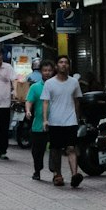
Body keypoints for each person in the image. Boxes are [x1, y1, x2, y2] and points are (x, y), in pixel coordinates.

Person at [42, 55, 83, 187]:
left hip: (70, 121)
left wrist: (77, 118)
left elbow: (77, 101)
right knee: (56, 149)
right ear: (56, 66)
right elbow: (46, 103)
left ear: (69, 66)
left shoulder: (74, 82)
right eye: (61, 62)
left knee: (71, 148)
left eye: (66, 62)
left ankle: (74, 175)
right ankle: (58, 174)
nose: (63, 64)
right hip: (55, 121)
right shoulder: (49, 83)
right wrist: (45, 120)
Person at [25, 61, 54, 180]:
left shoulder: (56, 85)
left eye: (49, 70)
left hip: (55, 123)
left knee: (55, 149)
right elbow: (29, 101)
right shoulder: (35, 87)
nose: (47, 73)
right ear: (41, 72)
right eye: (45, 70)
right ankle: (37, 169)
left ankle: (55, 171)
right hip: (38, 124)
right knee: (37, 150)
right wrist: (28, 110)